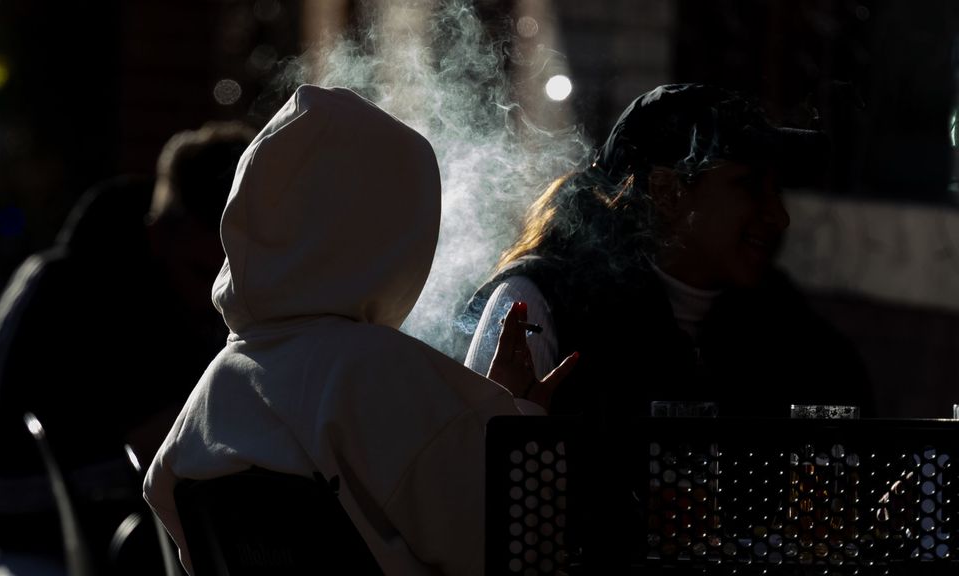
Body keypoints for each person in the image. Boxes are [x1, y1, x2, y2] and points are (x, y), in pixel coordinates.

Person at [143, 85, 577, 576]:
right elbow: (512, 540)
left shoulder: (216, 388)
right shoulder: (378, 372)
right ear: (388, 226)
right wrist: (518, 427)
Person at [0, 122, 253, 566]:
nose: (216, 301)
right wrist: (133, 465)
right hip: (22, 551)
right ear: (158, 233)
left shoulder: (239, 314)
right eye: (201, 273)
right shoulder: (56, 292)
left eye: (233, 283)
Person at [462, 83, 873, 424]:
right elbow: (469, 491)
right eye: (749, 185)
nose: (778, 216)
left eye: (776, 189)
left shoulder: (787, 327)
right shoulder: (538, 305)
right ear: (667, 192)